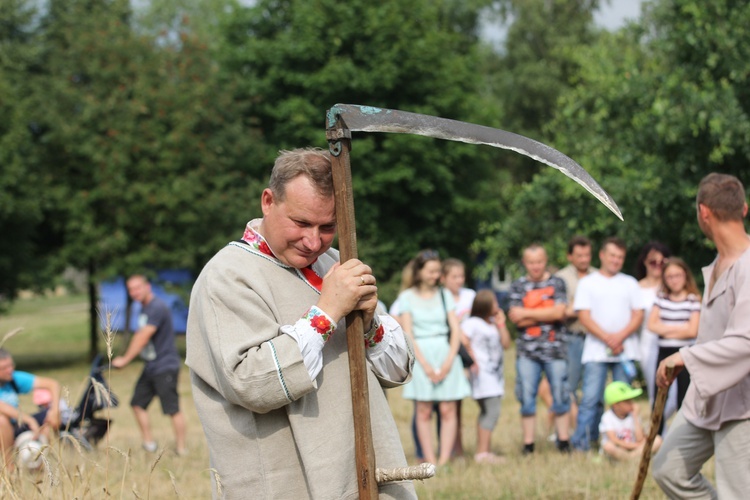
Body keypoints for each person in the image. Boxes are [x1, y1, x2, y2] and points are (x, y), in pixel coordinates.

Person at [185, 148, 415, 499]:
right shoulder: (227, 276)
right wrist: (325, 315)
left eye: (328, 227)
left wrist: (371, 325)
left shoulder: (335, 263)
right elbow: (250, 382)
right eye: (301, 223)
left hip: (362, 473)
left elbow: (397, 371)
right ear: (267, 201)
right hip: (285, 484)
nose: (313, 241)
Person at [653, 173, 750, 499]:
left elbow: (746, 342)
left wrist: (686, 356)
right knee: (668, 469)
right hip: (706, 399)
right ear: (745, 209)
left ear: (703, 212)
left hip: (744, 405)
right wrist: (692, 357)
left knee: (737, 493)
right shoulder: (718, 264)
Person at [571, 237, 645, 452]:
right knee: (591, 399)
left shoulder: (630, 283)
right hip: (596, 352)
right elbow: (584, 316)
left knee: (624, 401)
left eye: (620, 257)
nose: (616, 260)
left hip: (624, 350)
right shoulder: (588, 283)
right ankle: (584, 443)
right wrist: (607, 338)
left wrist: (619, 337)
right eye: (612, 255)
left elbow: (638, 315)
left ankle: (625, 442)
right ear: (602, 255)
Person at [400, 249, 470, 466]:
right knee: (423, 409)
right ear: (419, 272)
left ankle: (444, 459)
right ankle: (429, 459)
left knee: (449, 408)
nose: (435, 275)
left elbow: (455, 329)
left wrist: (449, 361)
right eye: (431, 271)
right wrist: (425, 365)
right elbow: (408, 333)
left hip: (444, 351)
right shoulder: (407, 297)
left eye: (438, 271)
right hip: (421, 354)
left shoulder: (445, 295)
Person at [112, 275, 186, 456]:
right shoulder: (144, 309)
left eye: (138, 287)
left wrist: (125, 359)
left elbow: (143, 336)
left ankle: (182, 449)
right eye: (131, 289)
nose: (134, 292)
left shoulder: (156, 307)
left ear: (148, 287)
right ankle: (149, 445)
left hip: (165, 365)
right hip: (151, 365)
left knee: (172, 409)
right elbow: (140, 336)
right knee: (137, 403)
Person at [508, 243, 570, 454]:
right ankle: (529, 445)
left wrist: (528, 313)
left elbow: (560, 313)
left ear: (546, 261)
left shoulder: (557, 282)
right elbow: (516, 319)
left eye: (539, 262)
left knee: (561, 395)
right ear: (525, 263)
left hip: (556, 350)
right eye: (531, 262)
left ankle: (563, 441)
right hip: (527, 352)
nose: (536, 266)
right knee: (526, 397)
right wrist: (547, 312)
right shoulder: (517, 285)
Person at [646, 257, 700, 435]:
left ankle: (682, 435)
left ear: (685, 275)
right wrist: (680, 328)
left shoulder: (693, 299)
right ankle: (657, 435)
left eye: (677, 275)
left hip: (684, 353)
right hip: (663, 352)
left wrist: (666, 328)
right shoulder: (661, 298)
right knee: (660, 395)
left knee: (683, 397)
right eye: (669, 276)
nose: (674, 280)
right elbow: (652, 325)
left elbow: (692, 331)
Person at [462, 290, 511, 464]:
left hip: (495, 375)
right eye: (495, 302)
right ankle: (482, 453)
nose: (497, 306)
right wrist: (471, 359)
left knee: (487, 412)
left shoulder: (492, 323)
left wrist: (501, 324)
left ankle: (484, 451)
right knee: (492, 411)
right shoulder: (472, 323)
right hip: (482, 375)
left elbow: (506, 344)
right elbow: (462, 339)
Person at [555, 235, 597, 430]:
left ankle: (590, 430)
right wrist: (584, 307)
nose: (584, 259)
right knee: (569, 387)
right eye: (579, 255)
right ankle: (569, 431)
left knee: (593, 388)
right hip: (572, 338)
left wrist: (577, 306)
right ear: (570, 256)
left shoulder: (598, 275)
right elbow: (561, 310)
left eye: (587, 255)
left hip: (595, 339)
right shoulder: (561, 278)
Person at [634, 241, 677, 417]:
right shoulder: (636, 288)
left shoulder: (672, 287)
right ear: (644, 262)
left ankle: (658, 429)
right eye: (653, 262)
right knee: (656, 390)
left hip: (673, 341)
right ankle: (657, 434)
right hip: (648, 344)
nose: (658, 266)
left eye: (662, 262)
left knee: (674, 395)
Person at [0, 348, 61, 469]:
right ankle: (9, 467)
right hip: (4, 427)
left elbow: (53, 384)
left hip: (16, 425)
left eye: (11, 365)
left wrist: (55, 410)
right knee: (1, 420)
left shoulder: (13, 379)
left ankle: (38, 461)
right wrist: (28, 419)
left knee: (49, 418)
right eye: (4, 368)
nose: (10, 370)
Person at [440, 257, 476, 457]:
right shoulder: (439, 297)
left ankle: (459, 448)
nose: (459, 280)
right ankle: (450, 448)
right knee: (446, 405)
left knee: (458, 404)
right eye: (454, 276)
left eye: (461, 276)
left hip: (469, 355)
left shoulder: (470, 296)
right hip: (448, 354)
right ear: (443, 278)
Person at [599, 381, 661, 461]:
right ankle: (633, 457)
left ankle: (629, 458)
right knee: (608, 446)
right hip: (620, 448)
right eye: (627, 401)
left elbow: (640, 439)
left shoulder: (632, 415)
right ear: (615, 405)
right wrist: (636, 446)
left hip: (633, 448)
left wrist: (635, 417)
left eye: (631, 400)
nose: (631, 403)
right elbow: (614, 440)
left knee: (657, 440)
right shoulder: (607, 417)